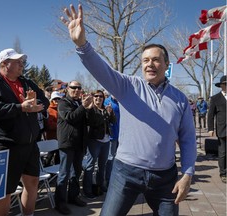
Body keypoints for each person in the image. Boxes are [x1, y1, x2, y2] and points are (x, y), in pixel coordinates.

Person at [60, 5, 197, 216]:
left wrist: (187, 174)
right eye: (145, 60)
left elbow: (188, 139)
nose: (150, 64)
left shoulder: (179, 99)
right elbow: (101, 69)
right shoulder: (128, 87)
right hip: (125, 173)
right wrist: (82, 45)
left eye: (155, 59)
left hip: (164, 178)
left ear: (166, 63)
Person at [0, 48, 50, 216]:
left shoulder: (26, 82)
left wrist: (37, 105)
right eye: (17, 62)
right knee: (5, 191)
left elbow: (44, 100)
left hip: (30, 143)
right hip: (6, 145)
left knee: (32, 183)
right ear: (4, 64)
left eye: (22, 61)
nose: (21, 65)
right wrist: (20, 108)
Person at [54, 81, 93, 215]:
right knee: (64, 174)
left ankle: (73, 197)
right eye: (73, 87)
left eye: (79, 88)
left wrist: (89, 108)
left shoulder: (79, 103)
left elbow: (88, 121)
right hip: (67, 144)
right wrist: (83, 106)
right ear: (67, 89)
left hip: (80, 143)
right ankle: (60, 202)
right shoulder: (63, 103)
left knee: (76, 173)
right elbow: (70, 117)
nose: (76, 90)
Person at [83, 90, 116, 199]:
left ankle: (100, 186)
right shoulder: (91, 109)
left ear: (103, 98)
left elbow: (113, 121)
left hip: (106, 141)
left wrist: (110, 113)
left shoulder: (106, 109)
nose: (98, 98)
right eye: (96, 96)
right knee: (90, 165)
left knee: (102, 166)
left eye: (101, 96)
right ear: (93, 97)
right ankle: (87, 190)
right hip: (94, 141)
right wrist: (104, 114)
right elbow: (93, 122)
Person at [207, 75, 226, 184]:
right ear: (221, 85)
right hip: (222, 129)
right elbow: (210, 115)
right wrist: (210, 128)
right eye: (225, 84)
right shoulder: (215, 98)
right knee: (223, 152)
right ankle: (223, 173)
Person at [103, 94, 120, 188]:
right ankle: (107, 181)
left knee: (118, 158)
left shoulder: (121, 101)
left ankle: (115, 178)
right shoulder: (106, 102)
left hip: (121, 135)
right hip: (112, 136)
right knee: (110, 158)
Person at [44, 91, 63, 166]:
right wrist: (61, 126)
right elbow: (49, 124)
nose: (57, 101)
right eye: (55, 99)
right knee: (50, 154)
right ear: (52, 100)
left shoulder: (61, 109)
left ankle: (55, 174)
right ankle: (46, 168)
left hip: (60, 137)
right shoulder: (49, 110)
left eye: (58, 99)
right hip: (52, 136)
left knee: (58, 155)